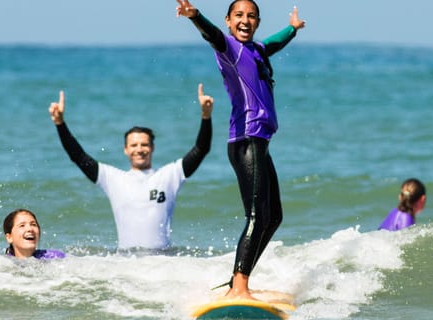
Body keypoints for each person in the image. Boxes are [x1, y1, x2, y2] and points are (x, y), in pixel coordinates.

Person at [176, 0, 305, 300]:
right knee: (257, 216)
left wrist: (293, 28)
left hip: (260, 142)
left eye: (251, 16)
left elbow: (275, 42)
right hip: (246, 140)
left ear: (257, 22)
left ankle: (238, 281)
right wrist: (195, 16)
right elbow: (212, 35)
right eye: (239, 16)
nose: (245, 20)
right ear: (229, 21)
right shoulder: (229, 49)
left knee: (273, 217)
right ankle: (240, 286)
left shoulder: (257, 50)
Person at [48, 84, 213, 249]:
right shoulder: (112, 178)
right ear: (125, 150)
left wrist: (206, 117)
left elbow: (201, 149)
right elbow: (78, 157)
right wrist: (60, 124)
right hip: (126, 263)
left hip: (163, 263)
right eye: (134, 145)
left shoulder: (169, 175)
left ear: (152, 148)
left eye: (144, 145)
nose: (139, 150)